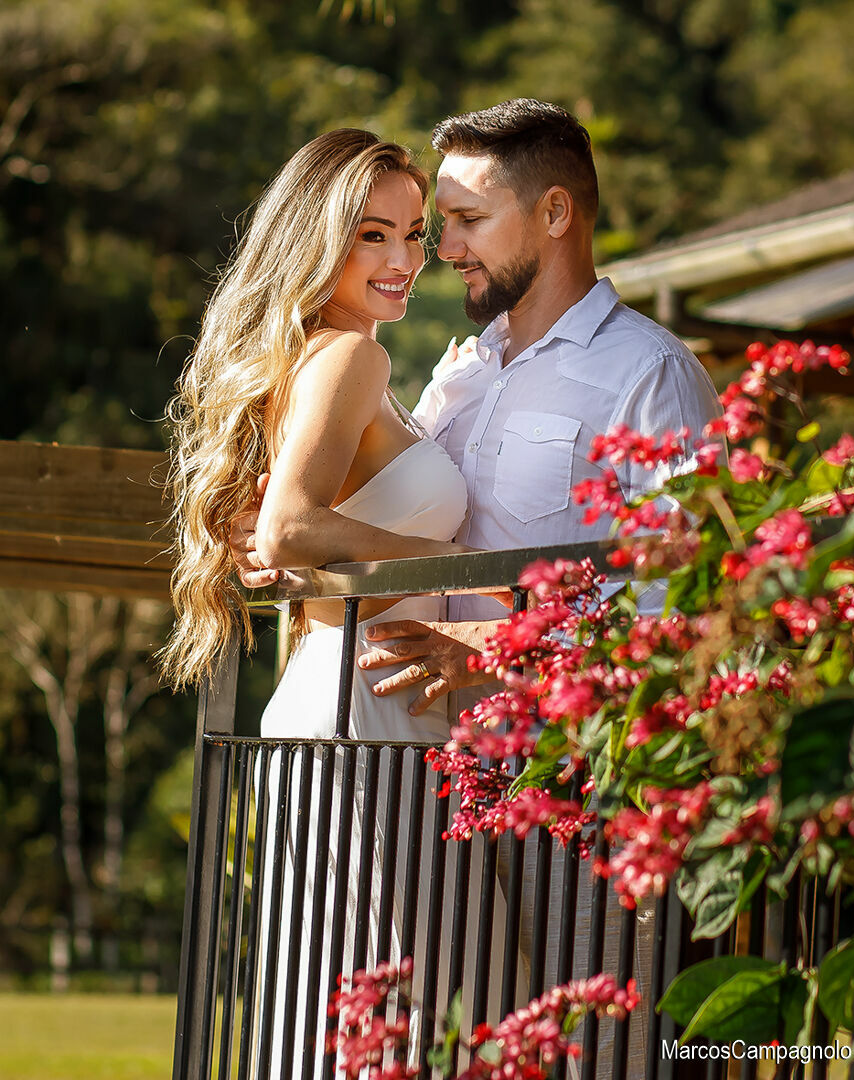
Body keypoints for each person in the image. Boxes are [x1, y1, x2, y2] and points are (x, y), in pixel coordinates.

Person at [234, 99, 722, 1075]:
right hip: (418, 758)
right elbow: (336, 522)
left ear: (552, 215)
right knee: (413, 1031)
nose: (437, 250)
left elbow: (691, 607)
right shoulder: (458, 373)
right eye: (421, 227)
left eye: (457, 221)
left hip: (576, 784)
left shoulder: (650, 377)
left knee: (593, 1050)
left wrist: (508, 654)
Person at [162, 128, 473, 1078]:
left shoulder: (322, 356)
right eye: (370, 234)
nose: (401, 261)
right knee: (411, 1014)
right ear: (317, 237)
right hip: (360, 715)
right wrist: (466, 561)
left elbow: (286, 539)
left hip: (347, 702)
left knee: (370, 1012)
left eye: (415, 235)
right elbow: (288, 531)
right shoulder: (349, 360)